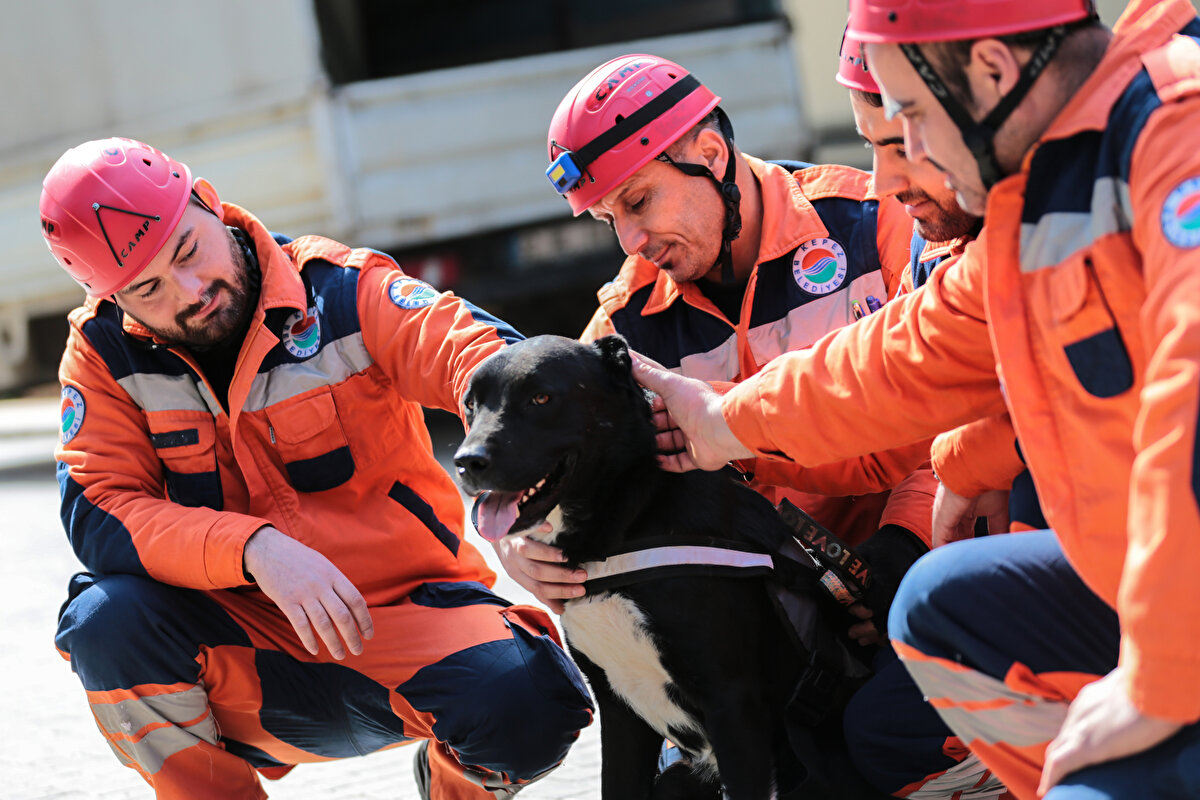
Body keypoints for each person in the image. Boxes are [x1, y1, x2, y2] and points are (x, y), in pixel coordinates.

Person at [633, 0, 1200, 796]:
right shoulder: (1044, 180)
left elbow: (1192, 400)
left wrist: (1159, 682)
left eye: (910, 119)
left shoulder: (1175, 129)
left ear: (995, 71)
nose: (893, 178)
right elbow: (905, 354)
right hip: (1157, 591)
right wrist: (725, 421)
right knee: (942, 608)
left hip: (1182, 623)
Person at [40, 137, 593, 800]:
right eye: (148, 289)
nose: (190, 293)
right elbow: (101, 511)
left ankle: (452, 787)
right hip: (243, 654)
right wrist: (255, 549)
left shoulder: (345, 293)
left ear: (210, 203)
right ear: (110, 300)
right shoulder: (103, 358)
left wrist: (524, 501)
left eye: (188, 251)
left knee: (533, 699)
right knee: (105, 619)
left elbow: (485, 362)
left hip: (406, 624)